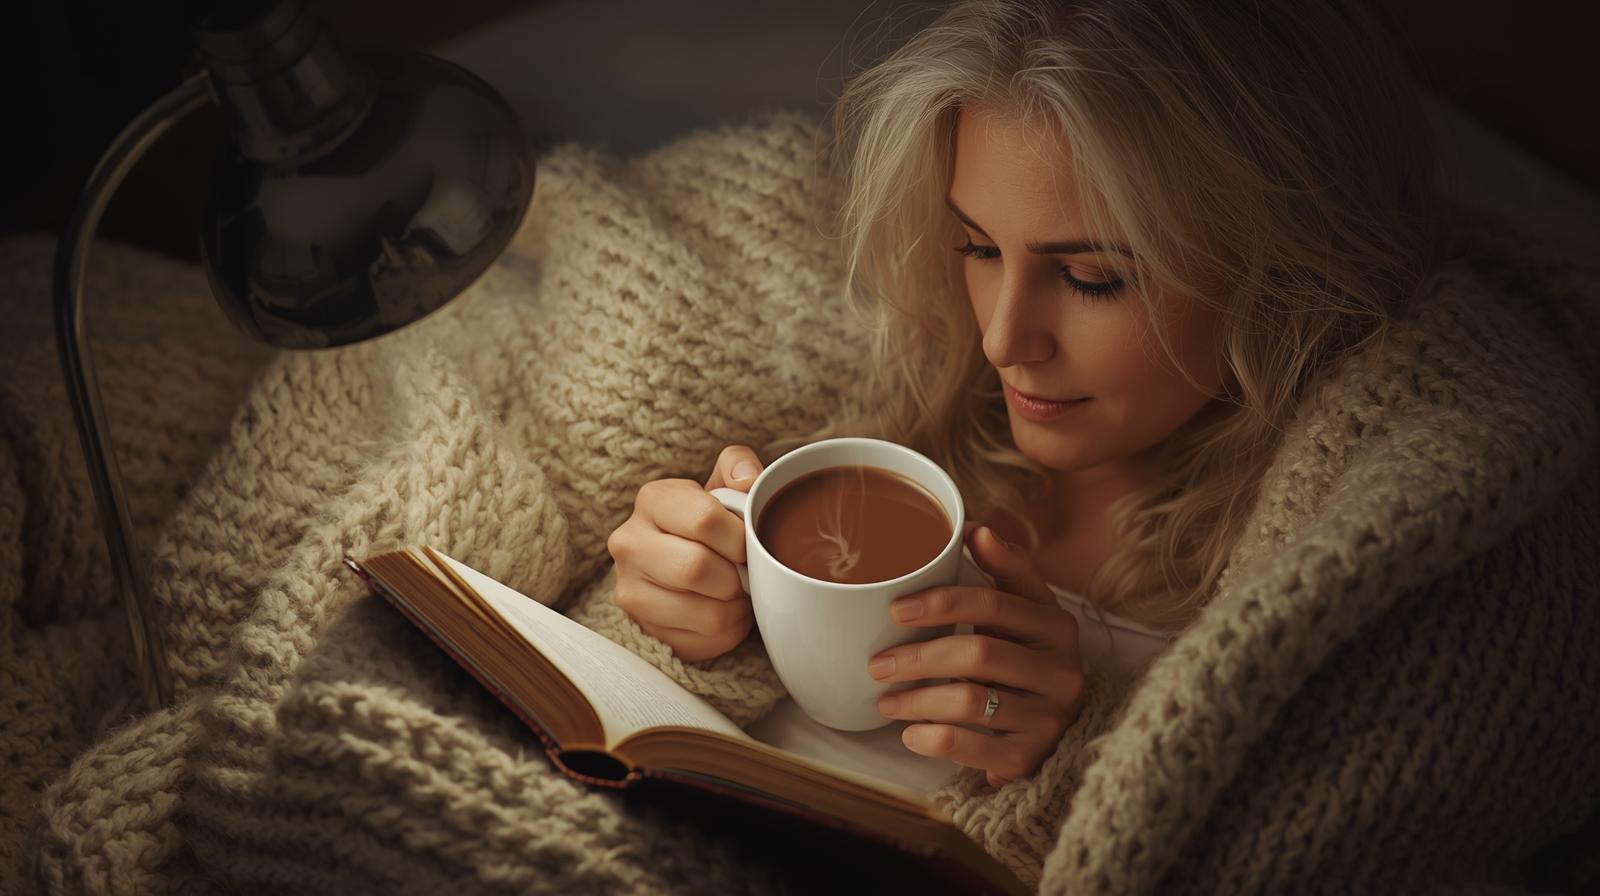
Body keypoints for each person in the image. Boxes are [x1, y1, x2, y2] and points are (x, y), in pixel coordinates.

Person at [607, 0, 1441, 792]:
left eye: (1093, 278)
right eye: (978, 247)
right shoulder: (894, 393)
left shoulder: (1346, 582)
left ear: (1281, 273)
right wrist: (679, 614)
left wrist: (1077, 754)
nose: (1003, 342)